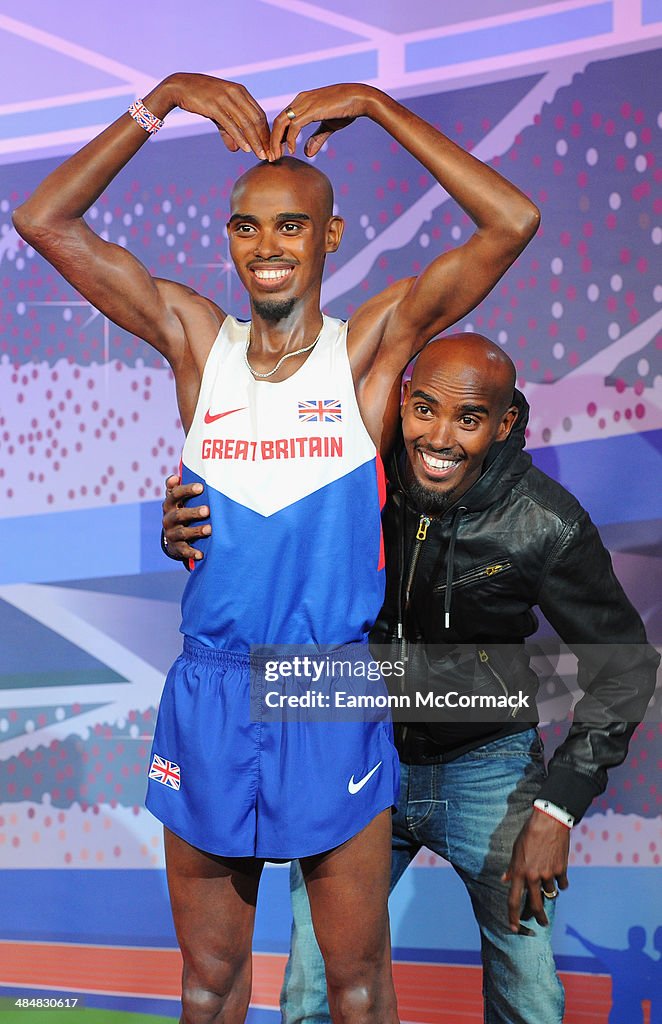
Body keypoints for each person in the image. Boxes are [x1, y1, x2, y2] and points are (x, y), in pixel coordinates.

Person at [13, 73, 539, 1024]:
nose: (266, 247)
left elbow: (511, 220)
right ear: (228, 238)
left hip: (325, 688)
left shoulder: (368, 352)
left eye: (291, 225)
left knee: (357, 987)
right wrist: (160, 101)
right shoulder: (196, 341)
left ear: (329, 236)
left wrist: (378, 109)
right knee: (211, 984)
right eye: (246, 226)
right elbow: (46, 220)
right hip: (212, 690)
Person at [164, 333, 660, 1024]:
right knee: (310, 997)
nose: (440, 437)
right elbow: (259, 522)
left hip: (487, 767)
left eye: (468, 419)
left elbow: (625, 665)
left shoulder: (545, 521)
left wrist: (559, 807)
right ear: (401, 402)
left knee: (531, 999)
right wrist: (186, 531)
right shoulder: (350, 473)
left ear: (505, 423)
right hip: (353, 754)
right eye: (424, 410)